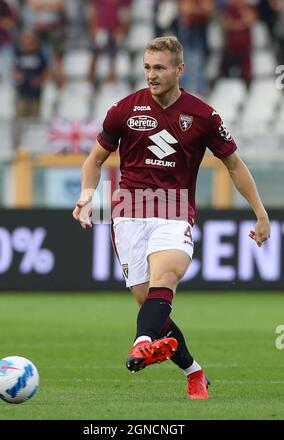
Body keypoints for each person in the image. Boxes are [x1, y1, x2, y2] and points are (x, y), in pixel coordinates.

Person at [73, 36, 271, 400]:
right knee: (150, 303)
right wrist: (88, 195)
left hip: (174, 210)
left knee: (165, 278)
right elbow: (94, 160)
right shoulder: (123, 110)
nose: (151, 74)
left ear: (180, 69)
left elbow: (234, 164)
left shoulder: (203, 115)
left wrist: (260, 213)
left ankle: (141, 342)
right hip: (128, 215)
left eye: (160, 68)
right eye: (147, 67)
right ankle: (194, 372)